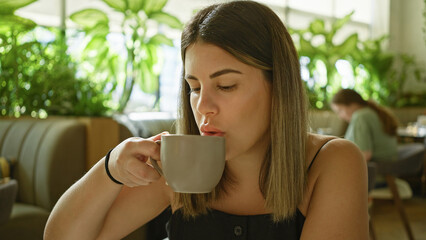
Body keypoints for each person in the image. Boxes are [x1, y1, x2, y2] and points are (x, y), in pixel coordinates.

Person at [44, 1, 368, 239]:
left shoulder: (333, 162)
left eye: (226, 86)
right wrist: (111, 169)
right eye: (194, 87)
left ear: (278, 86)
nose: (203, 107)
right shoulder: (180, 166)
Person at [331, 89, 399, 162]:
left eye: (340, 111)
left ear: (353, 104)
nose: (340, 117)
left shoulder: (360, 116)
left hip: (376, 167)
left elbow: (365, 154)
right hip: (388, 163)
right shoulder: (370, 112)